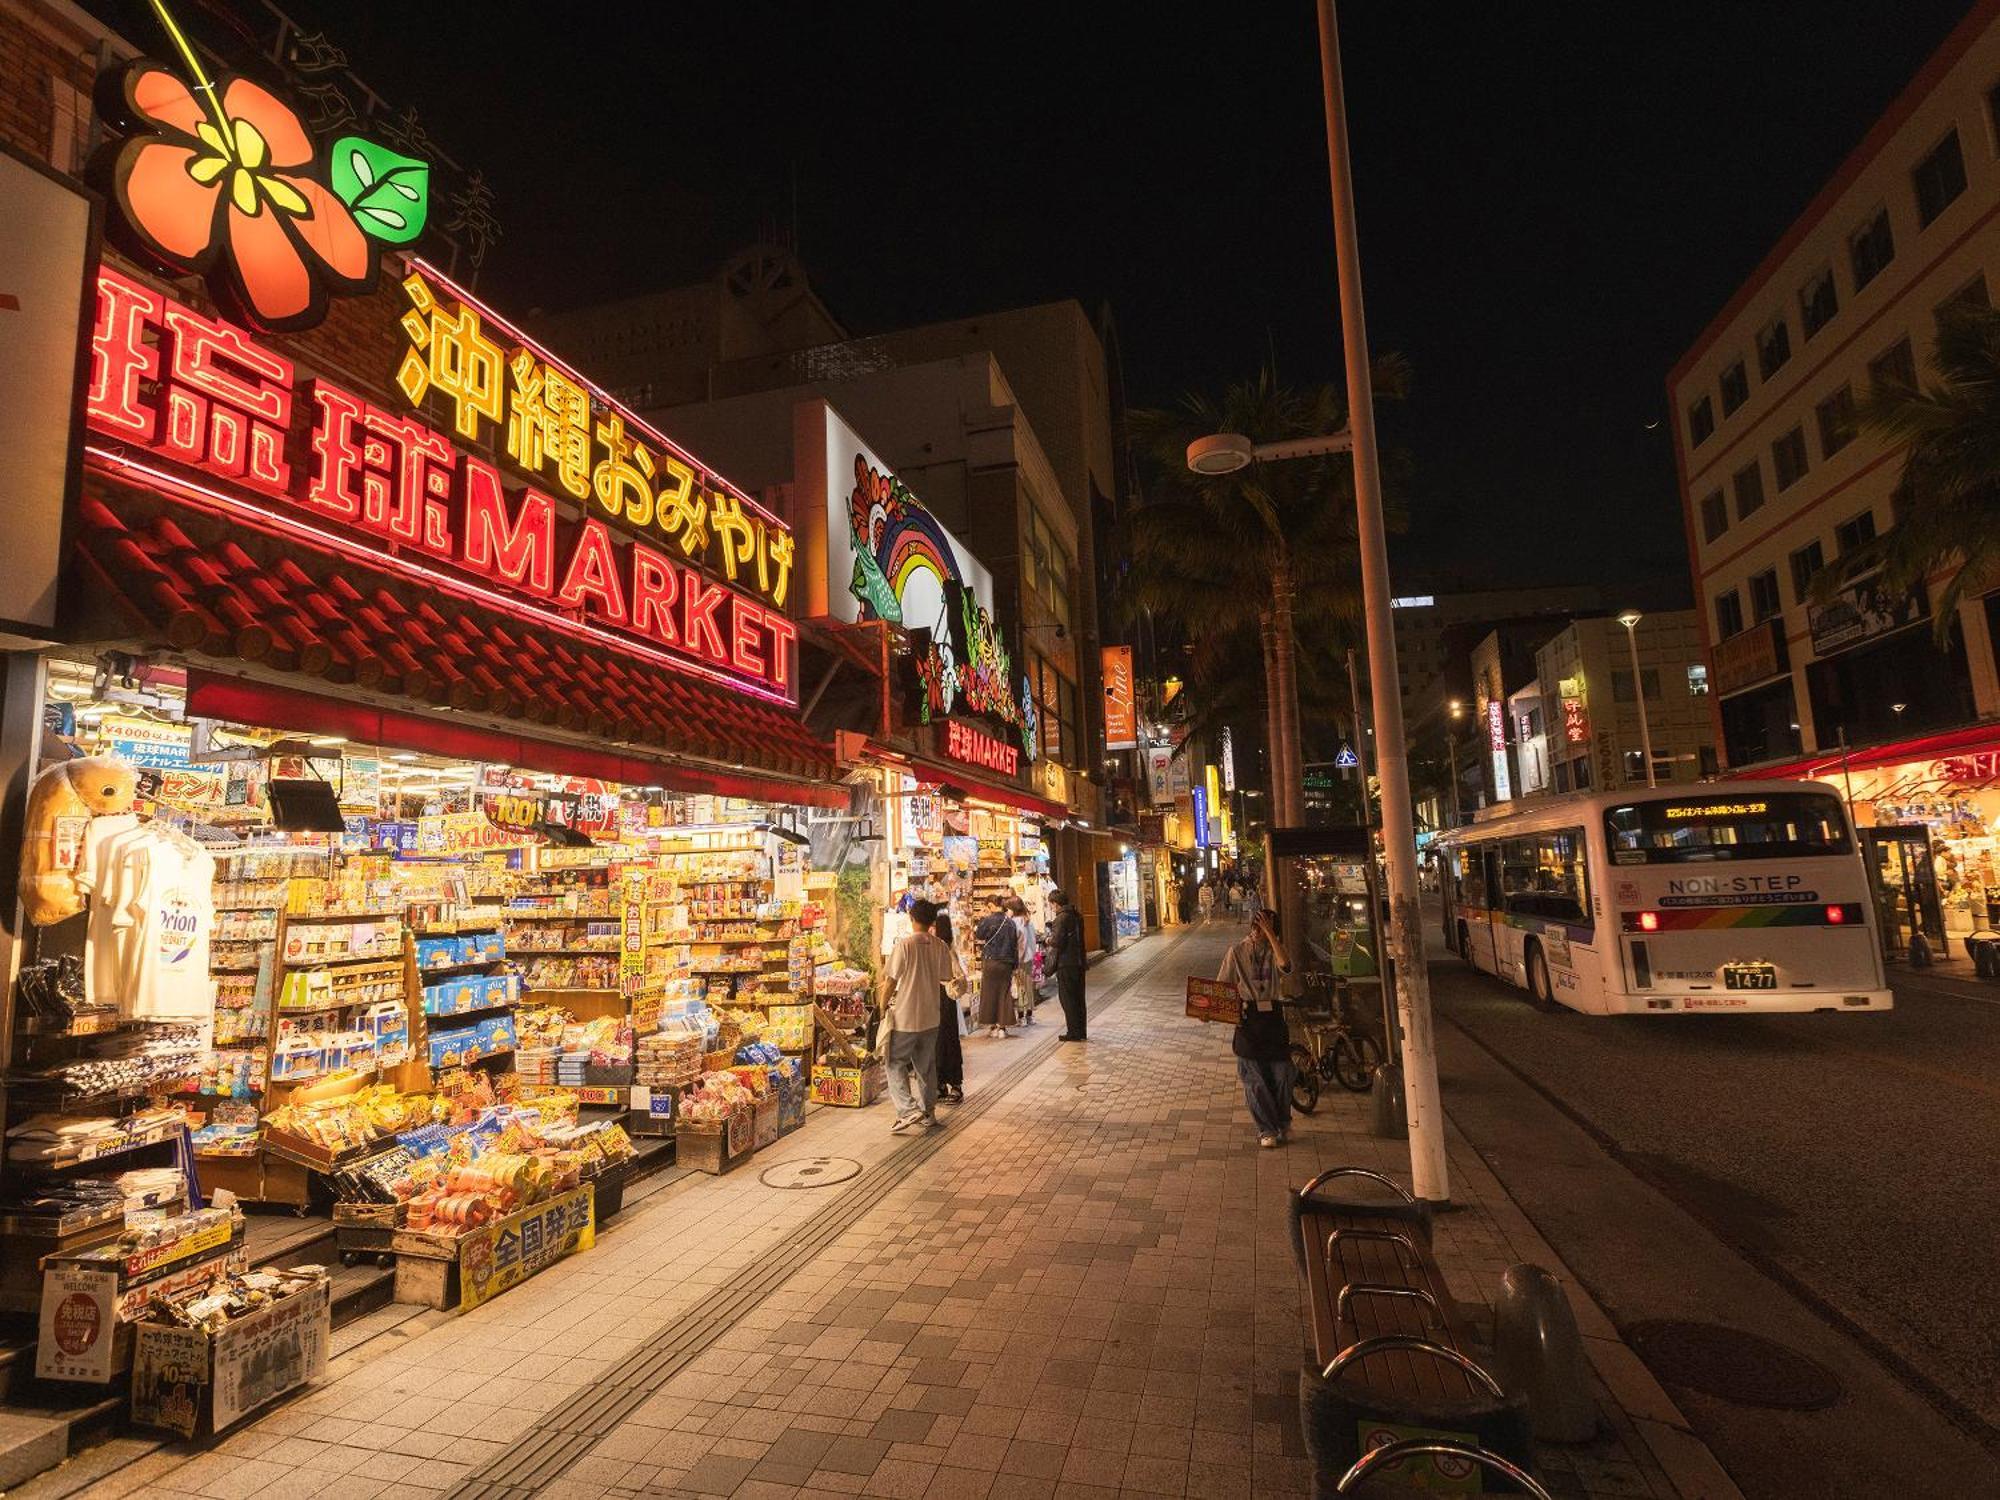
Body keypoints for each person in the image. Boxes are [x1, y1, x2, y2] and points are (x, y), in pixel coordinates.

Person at [880, 899, 960, 1132]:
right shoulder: (940, 946)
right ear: (933, 921)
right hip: (931, 1016)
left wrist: (882, 1006)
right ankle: (928, 1113)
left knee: (894, 1062)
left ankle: (907, 1110)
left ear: (912, 919)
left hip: (906, 1016)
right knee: (926, 1067)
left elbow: (890, 981)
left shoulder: (905, 945)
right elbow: (946, 978)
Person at [1221, 907, 1296, 1148]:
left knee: (1283, 1075)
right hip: (1247, 1018)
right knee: (1255, 1081)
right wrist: (1210, 1011)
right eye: (1259, 925)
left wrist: (1271, 935)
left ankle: (1282, 1121)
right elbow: (1222, 986)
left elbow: (1286, 965)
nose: (1260, 930)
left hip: (1273, 1016)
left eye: (1266, 925)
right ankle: (1266, 1129)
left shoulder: (1275, 950)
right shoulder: (1237, 951)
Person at [972, 895, 1020, 1038]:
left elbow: (979, 935)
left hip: (991, 961)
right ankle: (1002, 1028)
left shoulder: (988, 920)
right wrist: (1015, 965)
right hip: (1006, 962)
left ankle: (992, 1025)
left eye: (988, 906)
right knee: (1004, 993)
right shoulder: (1011, 923)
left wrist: (982, 919)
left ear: (992, 905)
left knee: (989, 993)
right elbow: (1014, 945)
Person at [932, 910, 965, 1103]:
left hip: (943, 998)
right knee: (943, 1041)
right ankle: (943, 1084)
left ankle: (952, 1085)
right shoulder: (945, 946)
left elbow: (952, 974)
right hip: (943, 1000)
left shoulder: (943, 947)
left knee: (944, 1041)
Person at [1047, 888, 1087, 1041]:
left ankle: (1073, 1033)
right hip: (1079, 962)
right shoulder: (1077, 916)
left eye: (1051, 904)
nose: (1051, 907)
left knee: (1067, 999)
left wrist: (1048, 940)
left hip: (1066, 963)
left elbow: (1057, 941)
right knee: (1078, 998)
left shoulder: (1061, 918)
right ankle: (1081, 1031)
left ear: (1055, 903)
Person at [1009, 897, 1038, 1026]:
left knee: (1020, 987)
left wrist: (1016, 959)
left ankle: (1021, 1016)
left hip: (1020, 959)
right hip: (1029, 958)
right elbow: (1032, 941)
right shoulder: (1028, 921)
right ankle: (1030, 1015)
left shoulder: (1015, 922)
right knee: (1028, 987)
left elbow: (1020, 943)